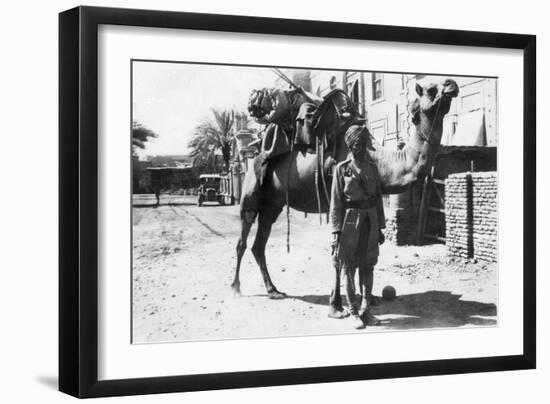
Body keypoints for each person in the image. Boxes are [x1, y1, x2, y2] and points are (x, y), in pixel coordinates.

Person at [329, 125, 386, 328]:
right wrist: (336, 232)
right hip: (350, 223)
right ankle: (353, 312)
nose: (359, 148)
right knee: (349, 268)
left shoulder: (372, 168)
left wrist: (380, 227)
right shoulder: (341, 169)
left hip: (370, 222)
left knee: (368, 266)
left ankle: (366, 310)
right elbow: (336, 203)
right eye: (356, 145)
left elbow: (378, 200)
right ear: (350, 146)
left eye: (362, 144)